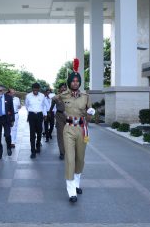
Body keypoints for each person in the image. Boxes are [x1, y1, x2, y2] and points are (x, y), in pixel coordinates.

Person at [60, 58, 95, 203]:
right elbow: (53, 104)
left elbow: (89, 119)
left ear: (79, 83)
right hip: (68, 129)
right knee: (70, 158)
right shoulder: (63, 96)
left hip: (82, 129)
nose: (75, 83)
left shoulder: (86, 97)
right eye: (73, 81)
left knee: (80, 159)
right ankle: (71, 191)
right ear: (69, 83)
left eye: (77, 81)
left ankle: (77, 183)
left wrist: (90, 114)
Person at [25, 82, 48, 159]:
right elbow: (27, 105)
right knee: (32, 133)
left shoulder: (42, 96)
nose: (35, 91)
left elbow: (44, 105)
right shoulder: (28, 96)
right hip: (31, 115)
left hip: (39, 115)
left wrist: (45, 114)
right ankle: (33, 151)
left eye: (36, 90)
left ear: (38, 89)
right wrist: (30, 112)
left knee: (39, 132)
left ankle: (38, 145)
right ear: (32, 89)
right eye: (34, 90)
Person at [49, 83, 67, 160]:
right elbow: (51, 107)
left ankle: (69, 151)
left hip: (69, 117)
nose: (63, 89)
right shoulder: (55, 98)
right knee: (60, 135)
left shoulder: (70, 97)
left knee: (70, 134)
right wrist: (49, 113)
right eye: (62, 87)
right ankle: (62, 152)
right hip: (59, 116)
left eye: (65, 87)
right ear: (59, 89)